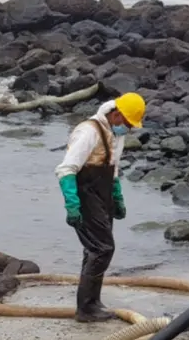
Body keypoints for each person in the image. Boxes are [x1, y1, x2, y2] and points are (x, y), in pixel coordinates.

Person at [54, 92, 145, 322]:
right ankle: (85, 308)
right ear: (116, 115)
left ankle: (93, 302)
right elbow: (66, 169)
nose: (128, 129)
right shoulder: (89, 132)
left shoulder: (115, 134)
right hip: (84, 194)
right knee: (102, 249)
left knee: (95, 249)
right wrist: (72, 203)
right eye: (127, 124)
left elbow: (113, 167)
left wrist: (117, 196)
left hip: (102, 195)